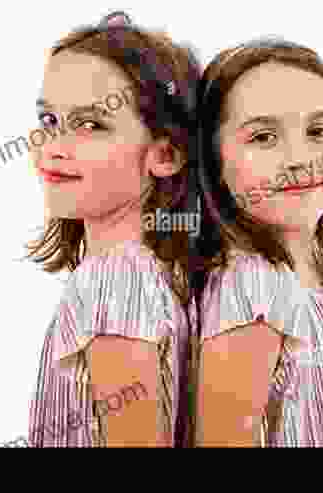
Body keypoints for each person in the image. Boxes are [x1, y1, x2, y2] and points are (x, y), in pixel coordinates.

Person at [191, 37, 323, 446]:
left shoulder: (302, 279)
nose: (300, 158)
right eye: (263, 137)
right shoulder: (253, 290)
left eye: (318, 130)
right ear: (214, 159)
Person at [25, 11, 201, 447]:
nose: (55, 148)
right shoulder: (155, 274)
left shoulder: (112, 280)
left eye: (90, 125)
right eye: (49, 121)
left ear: (165, 155)